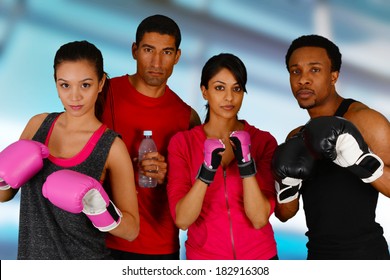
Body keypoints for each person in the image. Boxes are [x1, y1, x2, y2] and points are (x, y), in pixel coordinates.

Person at [0, 40, 139, 259]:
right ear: (56, 83)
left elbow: (131, 231)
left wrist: (101, 211)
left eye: (85, 85)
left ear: (101, 83)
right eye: (65, 85)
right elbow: (4, 195)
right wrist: (2, 177)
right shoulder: (38, 125)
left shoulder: (111, 147)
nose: (74, 96)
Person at [272, 34, 390, 259]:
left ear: (334, 75)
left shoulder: (366, 121)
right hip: (317, 256)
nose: (303, 80)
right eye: (295, 71)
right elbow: (284, 215)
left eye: (314, 70)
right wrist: (287, 186)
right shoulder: (296, 137)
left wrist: (362, 162)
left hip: (366, 257)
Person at [101, 14, 201, 260]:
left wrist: (170, 176)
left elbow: (196, 190)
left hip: (159, 246)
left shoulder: (188, 117)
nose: (157, 61)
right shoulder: (103, 93)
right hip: (101, 238)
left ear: (177, 56)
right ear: (135, 50)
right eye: (148, 49)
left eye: (166, 52)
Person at [167, 53, 278, 260]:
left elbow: (259, 219)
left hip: (260, 258)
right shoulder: (182, 144)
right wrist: (206, 173)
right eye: (219, 88)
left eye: (236, 89)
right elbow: (182, 220)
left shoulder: (263, 142)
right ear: (204, 91)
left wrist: (246, 166)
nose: (229, 97)